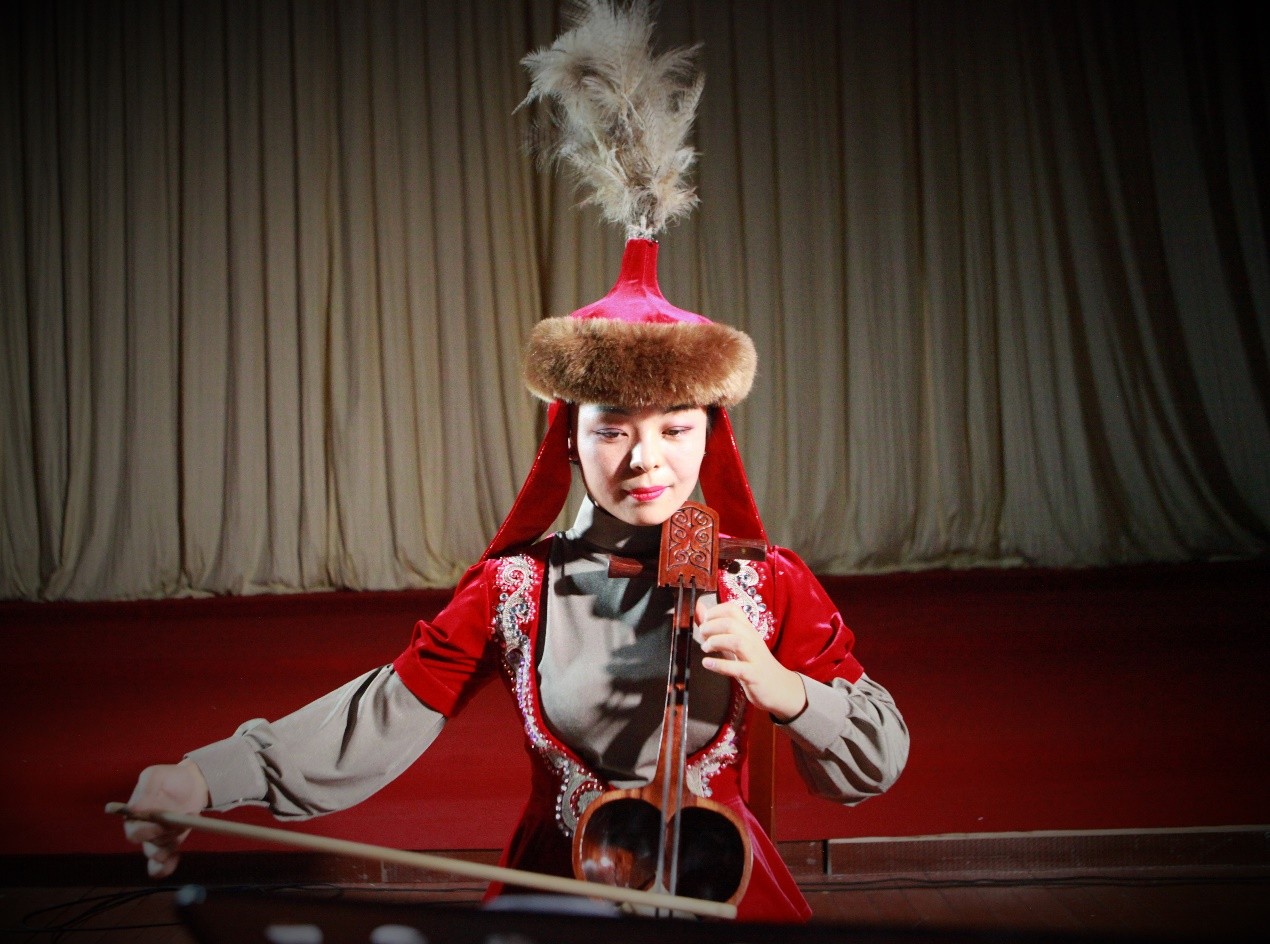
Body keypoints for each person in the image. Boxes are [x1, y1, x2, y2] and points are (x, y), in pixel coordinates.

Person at [123, 237, 909, 923]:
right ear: (569, 438)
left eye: (675, 428)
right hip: (557, 899)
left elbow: (878, 756)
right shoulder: (514, 588)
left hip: (723, 901)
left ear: (710, 435)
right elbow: (386, 712)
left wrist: (789, 692)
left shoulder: (764, 583)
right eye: (613, 430)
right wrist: (202, 778)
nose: (646, 460)